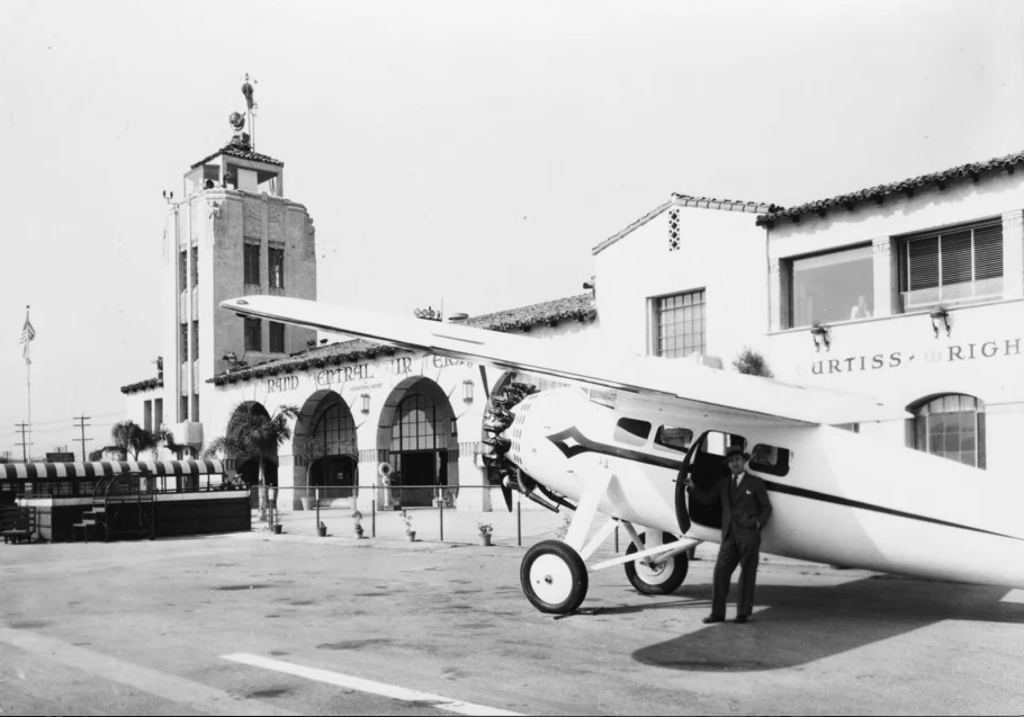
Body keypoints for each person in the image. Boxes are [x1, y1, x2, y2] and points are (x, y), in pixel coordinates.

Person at [683, 445, 772, 624]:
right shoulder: (723, 482)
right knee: (720, 572)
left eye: (737, 459)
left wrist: (757, 523)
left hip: (748, 534)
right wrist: (693, 488)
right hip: (729, 535)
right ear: (728, 464)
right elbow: (708, 499)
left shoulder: (755, 483)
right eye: (731, 461)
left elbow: (766, 508)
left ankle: (743, 613)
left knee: (747, 573)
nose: (734, 463)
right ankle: (717, 614)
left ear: (743, 461)